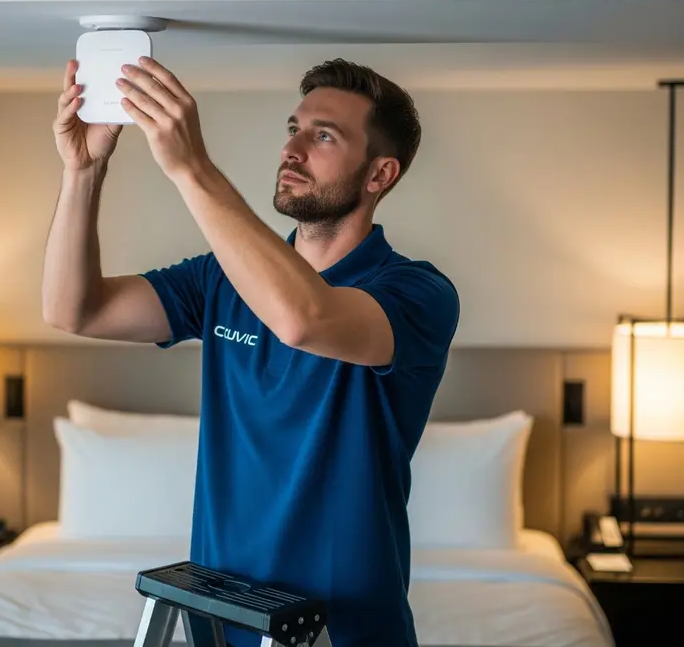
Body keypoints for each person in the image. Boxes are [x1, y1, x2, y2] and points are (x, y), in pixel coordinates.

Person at [42, 56, 460, 647]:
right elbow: (74, 309)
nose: (293, 150)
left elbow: (303, 318)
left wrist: (191, 167)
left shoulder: (417, 294)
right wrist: (81, 173)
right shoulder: (221, 279)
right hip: (218, 619)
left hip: (344, 629)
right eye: (294, 129)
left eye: (324, 136)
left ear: (379, 175)